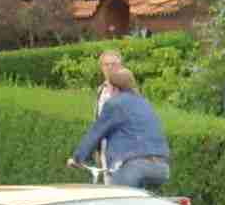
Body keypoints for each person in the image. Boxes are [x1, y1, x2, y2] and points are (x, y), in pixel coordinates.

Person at [73, 60, 172, 190]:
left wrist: (77, 158)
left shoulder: (114, 104)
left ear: (113, 87)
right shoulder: (144, 102)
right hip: (161, 168)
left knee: (116, 201)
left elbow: (96, 133)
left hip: (132, 166)